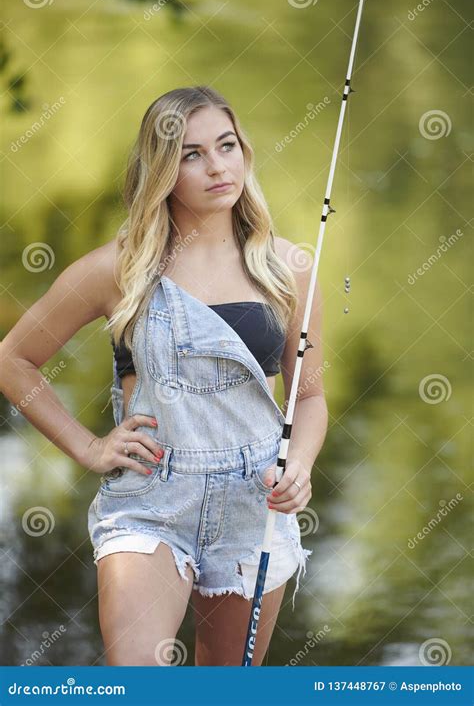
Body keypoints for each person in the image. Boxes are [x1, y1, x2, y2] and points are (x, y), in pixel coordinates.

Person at [0, 86, 328, 666]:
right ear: (161, 170)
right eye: (192, 154)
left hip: (255, 502)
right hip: (151, 498)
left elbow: (310, 396)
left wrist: (298, 463)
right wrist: (88, 446)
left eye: (226, 146)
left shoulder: (289, 267)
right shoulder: (118, 269)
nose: (217, 166)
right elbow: (13, 359)